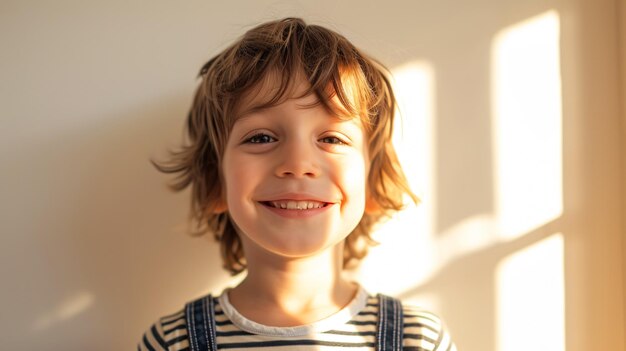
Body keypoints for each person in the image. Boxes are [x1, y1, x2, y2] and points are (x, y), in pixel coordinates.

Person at [138, 17, 456, 351]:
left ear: (372, 181)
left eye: (332, 138)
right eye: (261, 137)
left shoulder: (418, 339)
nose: (298, 164)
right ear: (216, 182)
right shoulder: (174, 342)